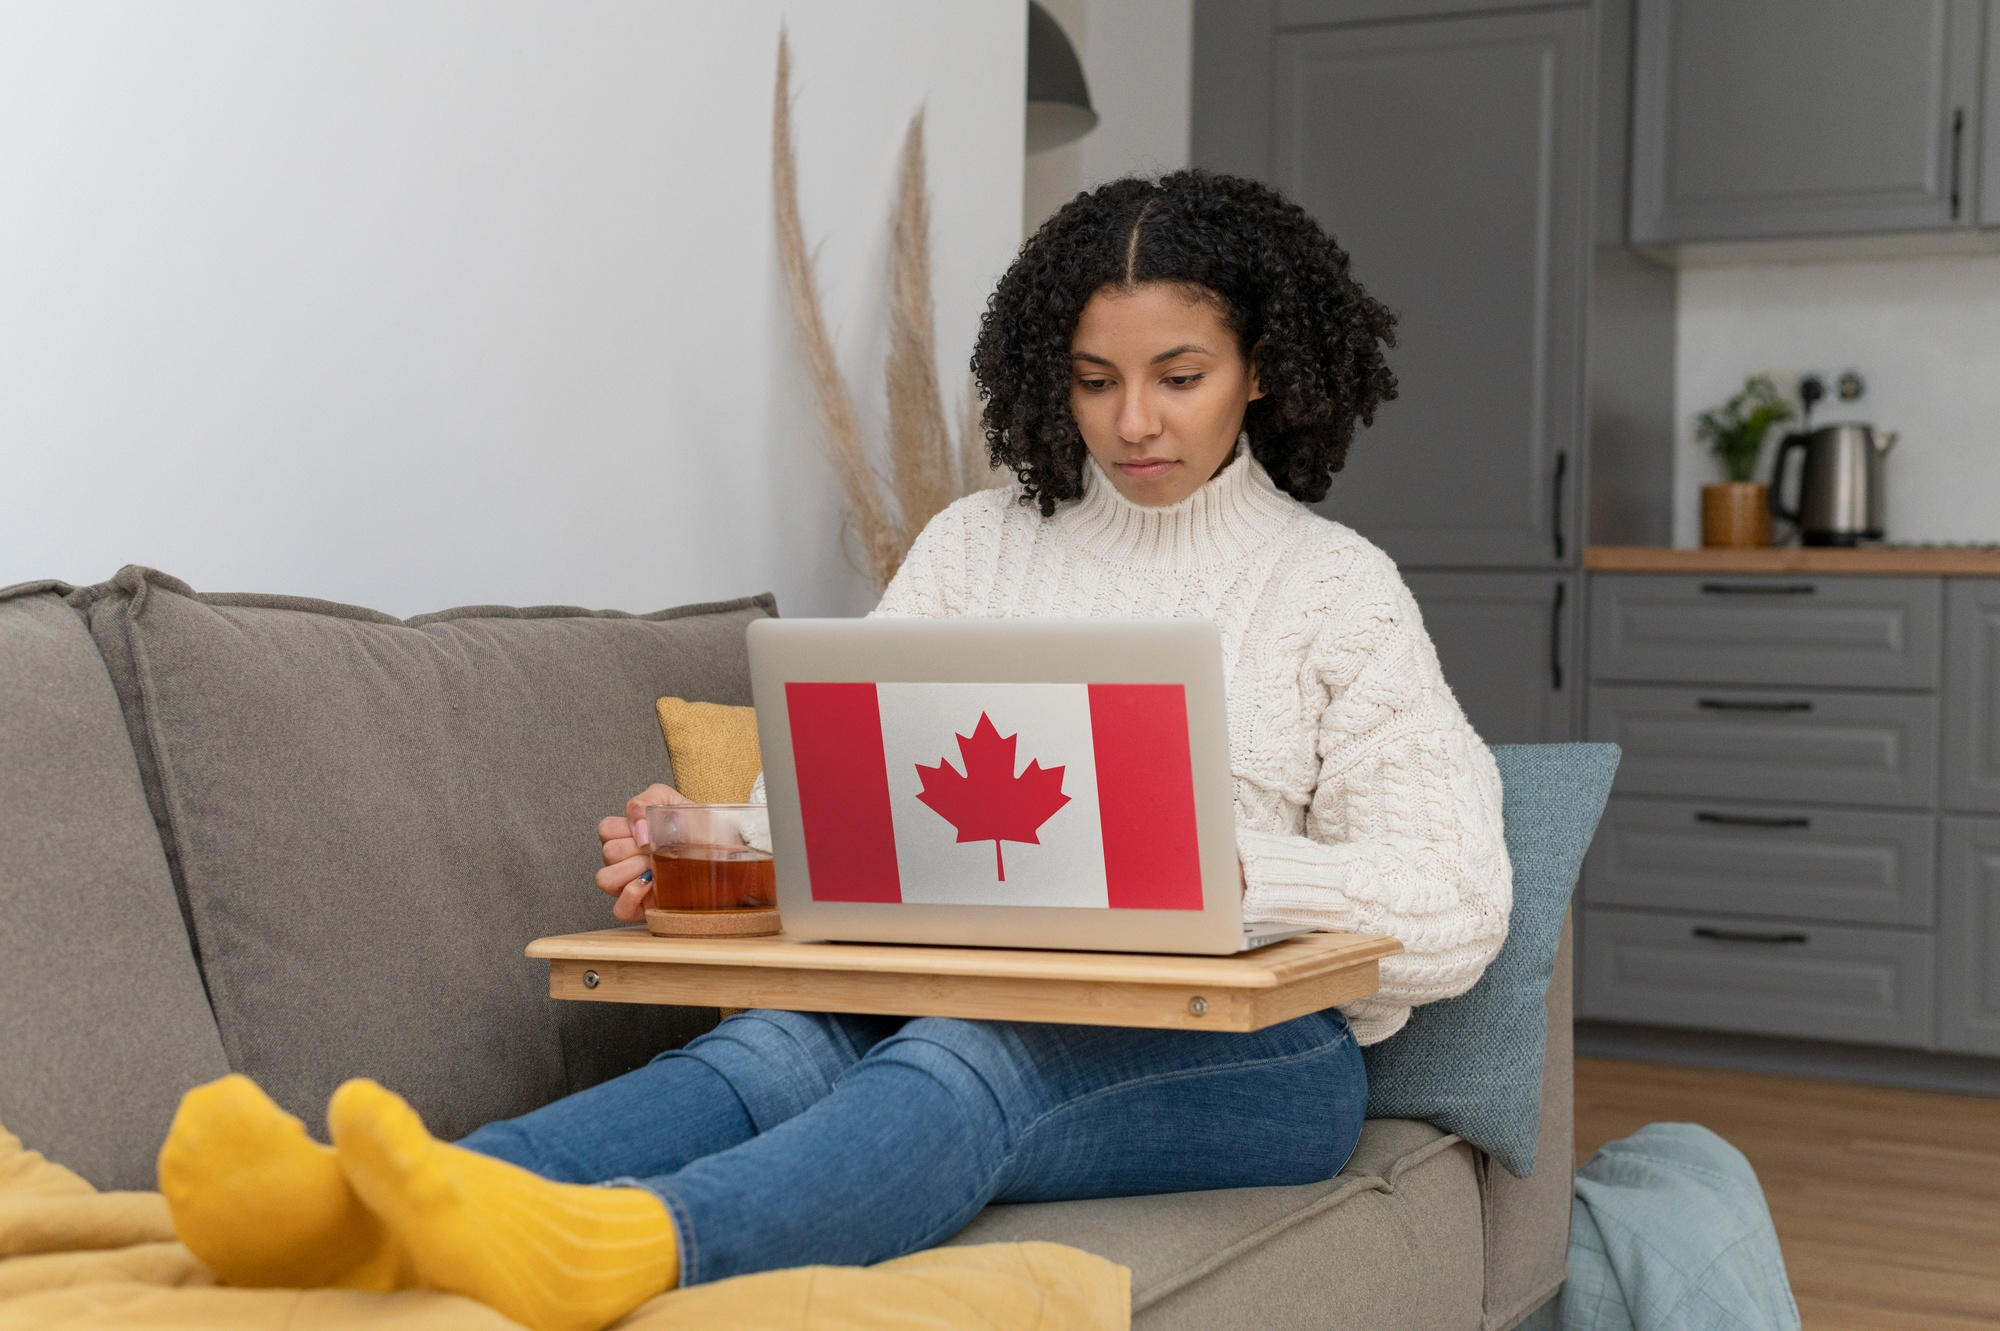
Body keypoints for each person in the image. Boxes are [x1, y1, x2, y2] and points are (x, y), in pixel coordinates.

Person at [155, 168, 1513, 1331]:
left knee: (971, 1057)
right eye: (1096, 382)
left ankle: (621, 1247)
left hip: (1256, 1055)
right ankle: (364, 1207)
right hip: (952, 984)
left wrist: (1206, 870)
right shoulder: (979, 547)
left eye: (1179, 377)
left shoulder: (1335, 590)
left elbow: (1458, 901)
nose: (1134, 423)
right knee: (772, 1048)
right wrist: (728, 842)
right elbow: (862, 802)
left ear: (1262, 369)